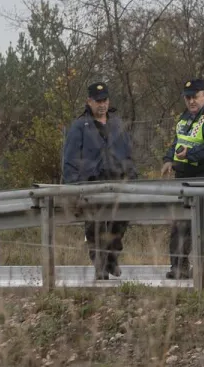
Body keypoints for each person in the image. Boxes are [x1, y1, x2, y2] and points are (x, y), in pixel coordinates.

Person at [62, 81, 138, 280]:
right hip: (91, 184)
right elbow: (70, 159)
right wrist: (72, 188)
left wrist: (132, 177)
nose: (101, 104)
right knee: (94, 227)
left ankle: (112, 257)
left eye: (104, 100)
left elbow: (127, 153)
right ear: (89, 101)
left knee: (119, 221)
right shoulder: (80, 126)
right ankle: (100, 266)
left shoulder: (117, 124)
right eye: (97, 101)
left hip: (116, 182)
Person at [162, 77, 204, 280]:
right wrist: (168, 159)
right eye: (188, 98)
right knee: (180, 224)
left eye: (195, 97)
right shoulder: (184, 118)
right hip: (184, 177)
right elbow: (177, 142)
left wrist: (190, 154)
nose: (191, 101)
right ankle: (179, 266)